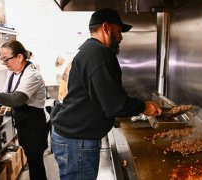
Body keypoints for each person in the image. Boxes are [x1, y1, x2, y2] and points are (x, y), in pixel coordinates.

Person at [50, 8, 162, 180]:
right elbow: (114, 104)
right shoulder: (99, 53)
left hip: (70, 137)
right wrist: (144, 106)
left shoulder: (87, 50)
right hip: (77, 141)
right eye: (118, 31)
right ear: (106, 28)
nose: (121, 37)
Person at [0, 40, 49, 180]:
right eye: (3, 60)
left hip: (35, 127)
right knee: (32, 162)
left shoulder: (32, 75)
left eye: (7, 59)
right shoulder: (13, 73)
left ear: (19, 57)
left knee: (36, 164)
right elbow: (6, 95)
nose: (5, 63)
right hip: (24, 126)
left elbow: (16, 99)